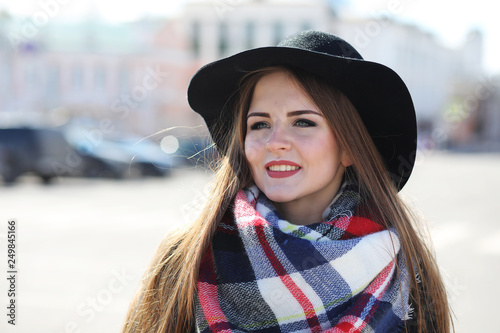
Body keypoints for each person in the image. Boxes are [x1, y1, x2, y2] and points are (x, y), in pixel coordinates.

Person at [122, 31, 452, 333]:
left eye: (303, 122)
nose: (275, 141)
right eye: (260, 124)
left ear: (349, 147)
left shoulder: (405, 268)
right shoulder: (186, 256)